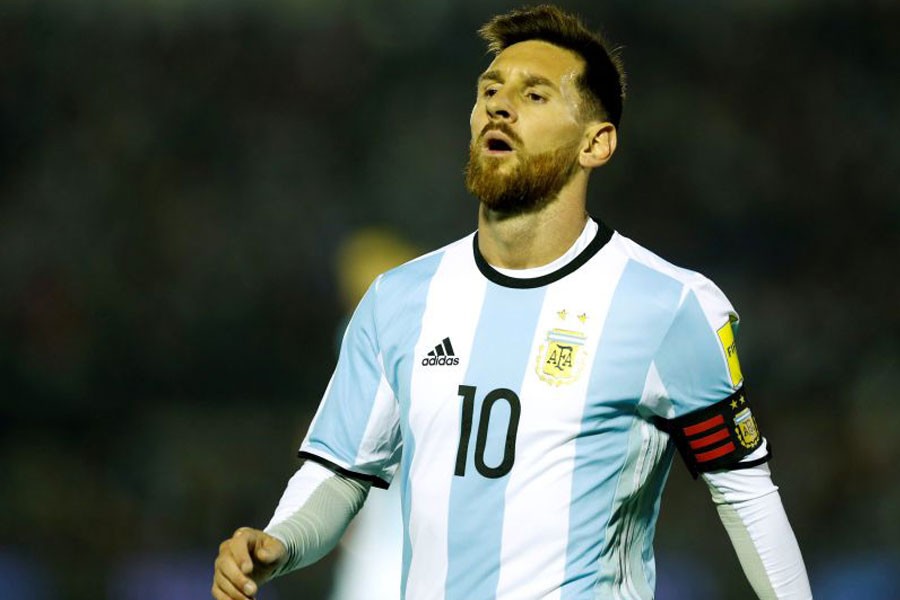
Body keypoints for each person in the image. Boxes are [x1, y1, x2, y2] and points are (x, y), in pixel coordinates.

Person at [212, 5, 813, 599]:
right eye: (489, 90)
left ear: (596, 143)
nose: (499, 105)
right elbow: (342, 471)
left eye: (534, 95)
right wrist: (280, 542)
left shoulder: (669, 308)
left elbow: (745, 495)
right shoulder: (399, 299)